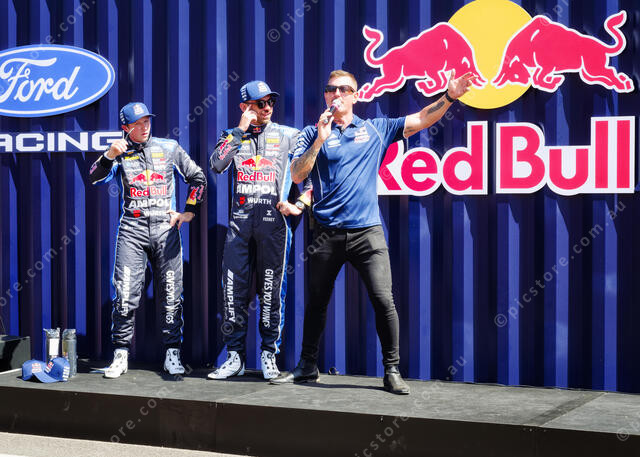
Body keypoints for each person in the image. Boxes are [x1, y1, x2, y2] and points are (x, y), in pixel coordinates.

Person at [270, 69, 475, 394]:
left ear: (356, 96)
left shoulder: (376, 130)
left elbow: (422, 118)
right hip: (325, 233)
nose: (336, 94)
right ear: (325, 95)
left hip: (367, 233)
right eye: (330, 89)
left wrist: (449, 96)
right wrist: (320, 139)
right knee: (317, 302)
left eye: (344, 89)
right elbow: (297, 175)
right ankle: (307, 366)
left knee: (383, 300)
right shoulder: (311, 133)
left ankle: (392, 370)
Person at [89, 102, 207, 378]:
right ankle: (120, 353)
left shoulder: (169, 147)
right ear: (126, 127)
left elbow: (198, 178)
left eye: (147, 121)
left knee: (171, 293)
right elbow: (94, 177)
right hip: (132, 229)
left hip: (166, 230)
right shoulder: (119, 152)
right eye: (137, 123)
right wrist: (109, 155)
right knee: (125, 293)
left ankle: (172, 353)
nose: (144, 127)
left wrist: (189, 212)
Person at [208, 81, 312, 380]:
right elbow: (217, 165)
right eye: (260, 103)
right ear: (245, 107)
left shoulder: (289, 135)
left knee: (271, 292)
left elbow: (313, 174)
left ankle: (268, 355)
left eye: (270, 102)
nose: (267, 108)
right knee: (233, 292)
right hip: (239, 227)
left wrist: (300, 204)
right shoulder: (232, 136)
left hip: (274, 227)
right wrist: (240, 130)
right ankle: (235, 357)